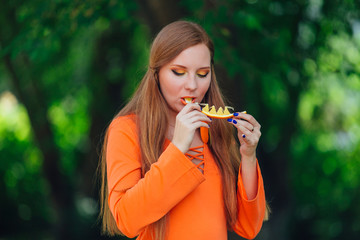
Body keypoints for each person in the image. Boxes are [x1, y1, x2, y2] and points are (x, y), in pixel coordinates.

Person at [99, 20, 267, 240]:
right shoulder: (126, 129)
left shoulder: (216, 131)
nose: (192, 86)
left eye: (202, 73)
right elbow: (127, 220)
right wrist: (177, 148)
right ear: (156, 73)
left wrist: (248, 155)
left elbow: (248, 226)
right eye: (179, 72)